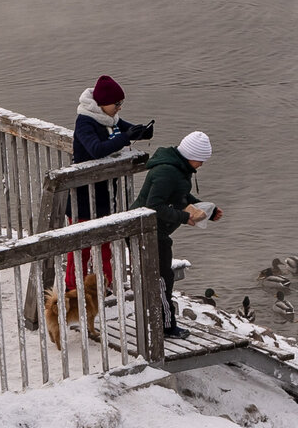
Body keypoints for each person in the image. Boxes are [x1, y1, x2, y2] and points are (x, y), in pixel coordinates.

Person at [136, 129, 218, 338]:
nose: (202, 164)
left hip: (156, 231)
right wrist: (185, 217)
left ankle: (159, 320)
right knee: (163, 279)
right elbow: (153, 206)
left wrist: (208, 211)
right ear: (191, 156)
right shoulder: (167, 172)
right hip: (147, 232)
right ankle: (166, 326)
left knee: (162, 277)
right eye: (201, 160)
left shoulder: (178, 169)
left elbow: (180, 195)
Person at [72, 75, 152, 222]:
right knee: (87, 241)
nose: (119, 107)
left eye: (121, 103)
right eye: (116, 104)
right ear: (103, 102)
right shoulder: (85, 122)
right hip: (84, 194)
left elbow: (127, 130)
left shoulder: (111, 118)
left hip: (105, 188)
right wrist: (125, 137)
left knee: (106, 237)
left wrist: (143, 132)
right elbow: (96, 149)